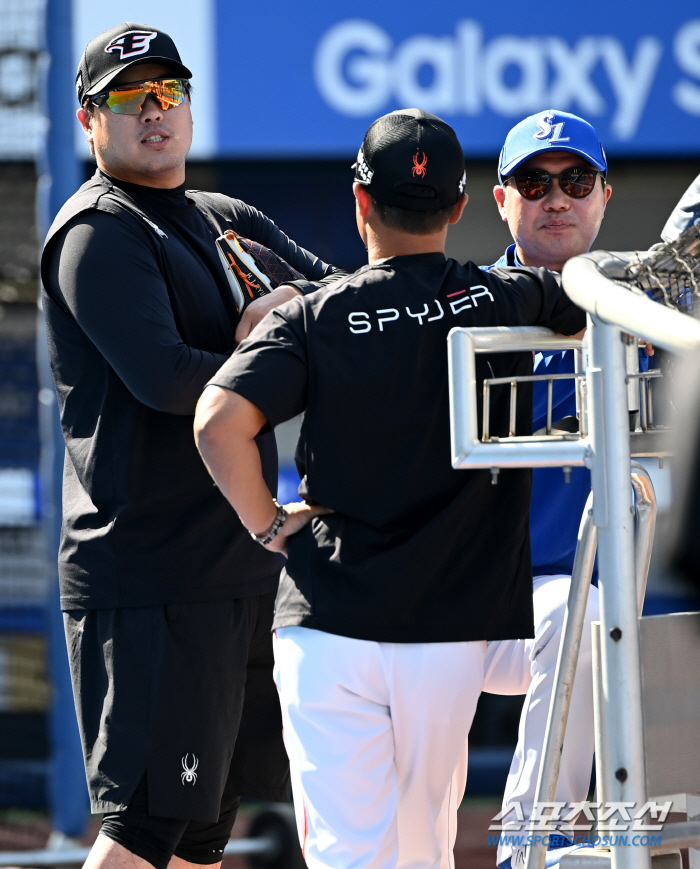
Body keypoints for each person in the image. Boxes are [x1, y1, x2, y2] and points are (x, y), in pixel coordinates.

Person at [193, 108, 586, 869]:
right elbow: (583, 300)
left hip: (327, 621)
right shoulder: (500, 297)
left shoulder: (314, 313)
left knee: (350, 854)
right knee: (422, 850)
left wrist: (270, 525)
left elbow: (217, 421)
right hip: (447, 634)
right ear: (463, 207)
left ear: (360, 201)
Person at [40, 22, 346, 869]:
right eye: (130, 98)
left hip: (234, 568)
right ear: (87, 120)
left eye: (168, 93)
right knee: (144, 830)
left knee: (204, 831)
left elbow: (336, 309)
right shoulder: (96, 232)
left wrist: (279, 328)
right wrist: (266, 345)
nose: (154, 112)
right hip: (150, 578)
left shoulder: (223, 215)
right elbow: (170, 379)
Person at [480, 110, 649, 869]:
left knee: (588, 616)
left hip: (582, 599)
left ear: (605, 194)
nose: (556, 197)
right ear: (501, 200)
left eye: (575, 180)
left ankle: (531, 846)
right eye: (534, 182)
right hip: (461, 600)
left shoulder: (647, 308)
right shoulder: (461, 302)